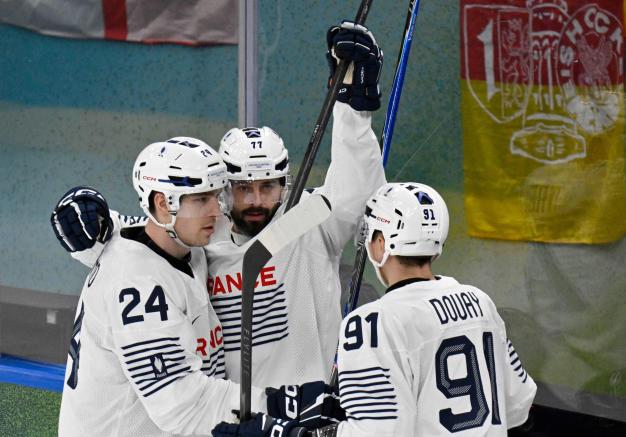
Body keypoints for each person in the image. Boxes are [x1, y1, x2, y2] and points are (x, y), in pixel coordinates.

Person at [51, 21, 386, 391]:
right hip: (230, 417)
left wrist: (353, 105)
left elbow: (358, 195)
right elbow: (135, 239)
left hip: (306, 417)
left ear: (285, 185)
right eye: (243, 188)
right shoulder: (203, 233)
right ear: (221, 188)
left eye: (268, 187)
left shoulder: (303, 222)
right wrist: (90, 227)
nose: (257, 200)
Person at [217, 182, 537, 436]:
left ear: (382, 244)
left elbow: (377, 433)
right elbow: (518, 404)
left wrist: (287, 434)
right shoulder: (479, 302)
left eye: (370, 236)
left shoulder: (370, 323)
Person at [57, 140, 267, 437]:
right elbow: (182, 405)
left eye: (216, 197)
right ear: (162, 203)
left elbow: (117, 226)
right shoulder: (137, 288)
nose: (216, 212)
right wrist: (275, 405)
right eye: (200, 199)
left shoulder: (181, 245)